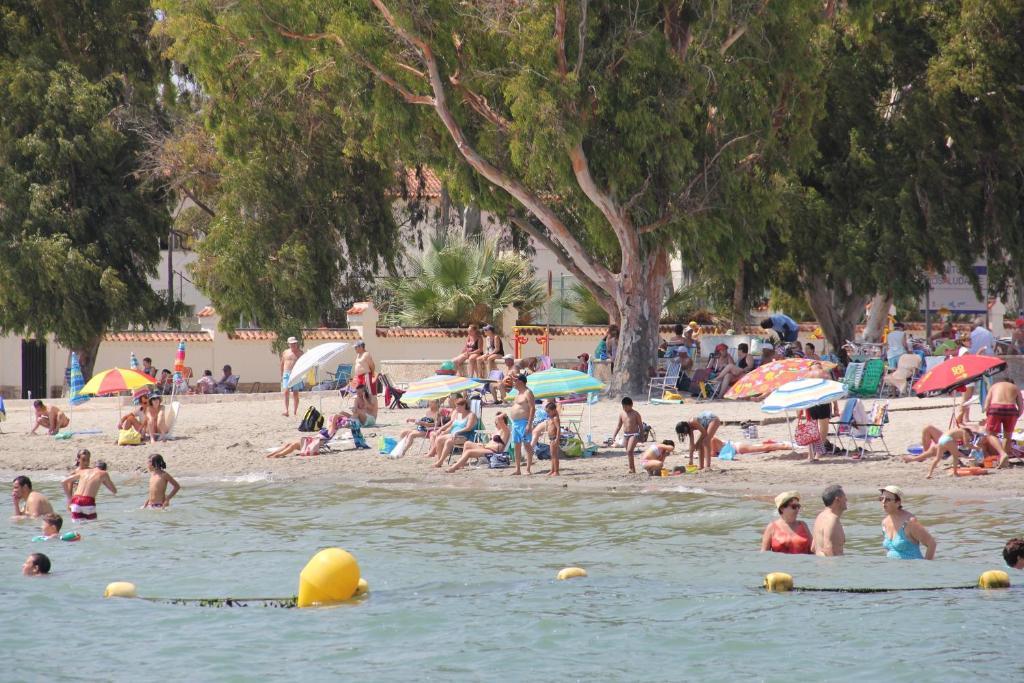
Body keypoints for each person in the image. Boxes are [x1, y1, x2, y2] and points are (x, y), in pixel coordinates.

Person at [880, 485, 935, 559]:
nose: (883, 502)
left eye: (888, 499)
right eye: (881, 498)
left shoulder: (909, 522)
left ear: (898, 503)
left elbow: (931, 544)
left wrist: (926, 566)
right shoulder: (884, 522)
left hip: (913, 568)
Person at [446, 413, 511, 472]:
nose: (495, 422)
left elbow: (498, 447)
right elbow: (492, 442)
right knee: (467, 443)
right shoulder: (497, 430)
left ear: (502, 421)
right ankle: (461, 464)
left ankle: (453, 468)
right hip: (487, 448)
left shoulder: (505, 431)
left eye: (496, 421)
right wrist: (484, 445)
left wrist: (504, 413)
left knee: (469, 452)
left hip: (494, 452)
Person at [429, 398, 478, 467]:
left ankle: (440, 462)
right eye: (456, 406)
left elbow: (468, 428)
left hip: (466, 436)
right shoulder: (458, 414)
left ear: (464, 406)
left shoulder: (471, 415)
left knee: (449, 441)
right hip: (454, 435)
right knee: (438, 439)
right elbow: (452, 425)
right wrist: (442, 430)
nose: (456, 408)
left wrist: (457, 432)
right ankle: (439, 460)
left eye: (458, 406)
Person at [983, 379, 1022, 456]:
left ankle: (999, 455)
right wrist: (1017, 416)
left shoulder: (994, 386)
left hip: (995, 408)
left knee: (991, 434)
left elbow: (986, 405)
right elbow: (1021, 406)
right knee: (1007, 436)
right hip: (1011, 410)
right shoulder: (1015, 387)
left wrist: (988, 416)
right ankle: (1005, 459)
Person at [507, 374, 537, 475]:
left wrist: (529, 423)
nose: (514, 383)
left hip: (524, 422)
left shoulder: (528, 392)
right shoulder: (518, 393)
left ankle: (528, 469)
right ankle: (518, 469)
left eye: (515, 381)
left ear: (520, 381)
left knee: (527, 445)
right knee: (516, 446)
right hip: (515, 423)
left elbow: (532, 408)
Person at [609, 397, 644, 473]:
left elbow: (641, 426)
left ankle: (632, 468)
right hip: (626, 435)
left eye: (626, 407)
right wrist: (614, 435)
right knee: (628, 453)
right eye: (623, 407)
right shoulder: (622, 414)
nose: (624, 408)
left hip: (634, 434)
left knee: (629, 450)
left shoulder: (636, 414)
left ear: (631, 405)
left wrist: (642, 436)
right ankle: (632, 468)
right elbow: (618, 426)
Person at [812, 485, 847, 556]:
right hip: (832, 565)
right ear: (838, 500)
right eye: (844, 497)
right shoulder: (832, 519)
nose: (846, 499)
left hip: (821, 564)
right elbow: (828, 548)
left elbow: (813, 548)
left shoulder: (820, 517)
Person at [280, 336, 304, 417]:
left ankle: (295, 411)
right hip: (286, 373)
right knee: (286, 392)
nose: (294, 345)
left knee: (295, 393)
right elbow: (282, 363)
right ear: (289, 344)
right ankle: (286, 410)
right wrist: (281, 374)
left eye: (295, 343)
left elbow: (303, 364)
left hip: (296, 374)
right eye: (292, 344)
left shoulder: (300, 353)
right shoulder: (285, 352)